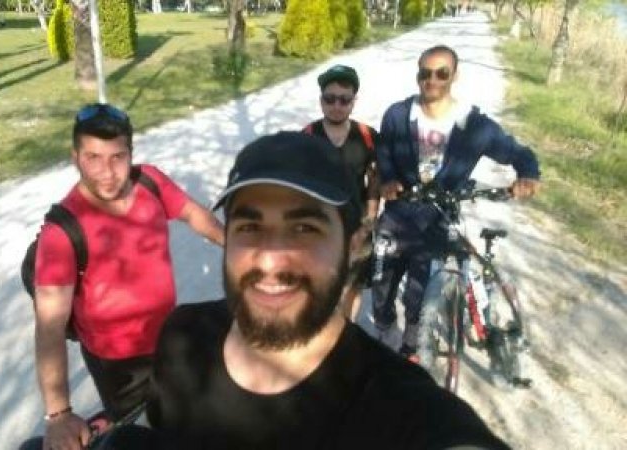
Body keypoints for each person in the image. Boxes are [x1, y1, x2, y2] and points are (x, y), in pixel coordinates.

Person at [145, 131, 510, 450]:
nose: (269, 260)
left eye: (305, 228)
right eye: (249, 227)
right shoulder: (182, 335)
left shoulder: (401, 405)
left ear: (353, 245)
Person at [31, 103, 224, 450]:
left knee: (189, 412)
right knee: (144, 434)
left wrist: (237, 246)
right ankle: (113, 425)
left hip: (168, 335)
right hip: (118, 364)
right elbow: (49, 327)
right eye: (93, 157)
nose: (107, 172)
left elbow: (195, 214)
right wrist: (58, 414)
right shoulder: (61, 231)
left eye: (117, 157)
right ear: (75, 157)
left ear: (131, 154)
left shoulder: (150, 181)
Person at [372, 45, 540, 361]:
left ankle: (411, 349)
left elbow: (517, 152)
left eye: (441, 73)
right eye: (425, 73)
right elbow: (384, 152)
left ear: (454, 76)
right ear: (418, 75)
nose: (432, 80)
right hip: (398, 214)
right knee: (380, 285)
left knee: (420, 293)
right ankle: (384, 328)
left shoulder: (474, 126)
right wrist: (389, 178)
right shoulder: (397, 115)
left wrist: (528, 174)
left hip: (438, 218)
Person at [303, 64, 380, 323]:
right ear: (321, 100)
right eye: (330, 99)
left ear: (354, 101)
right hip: (318, 228)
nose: (336, 105)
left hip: (358, 226)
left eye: (344, 100)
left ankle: (346, 331)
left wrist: (369, 220)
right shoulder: (307, 136)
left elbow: (375, 179)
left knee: (353, 286)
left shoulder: (367, 136)